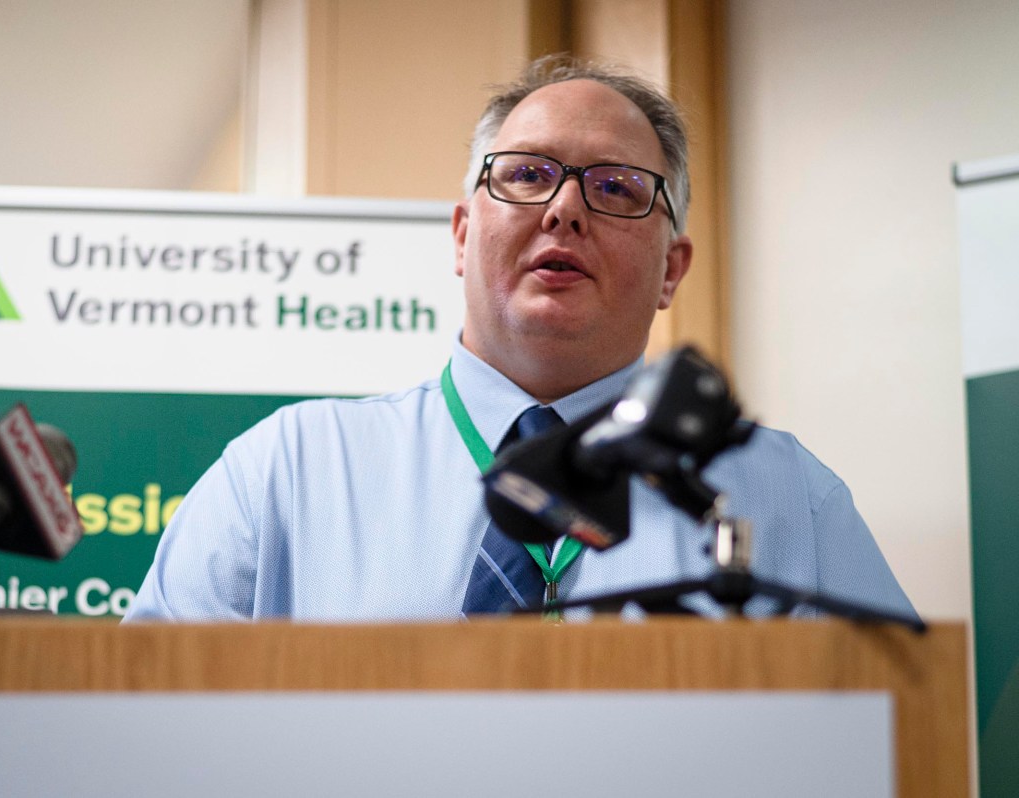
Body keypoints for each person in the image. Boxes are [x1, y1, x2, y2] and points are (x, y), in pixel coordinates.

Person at [125, 55, 915, 622]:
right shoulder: (288, 472)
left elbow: (898, 742)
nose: (564, 210)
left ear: (672, 269)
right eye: (528, 175)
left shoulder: (787, 500)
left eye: (616, 188)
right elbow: (144, 727)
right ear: (463, 234)